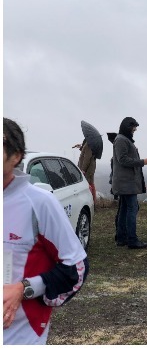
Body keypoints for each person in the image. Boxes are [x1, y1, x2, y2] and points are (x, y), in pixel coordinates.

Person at [3, 117, 88, 344]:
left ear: (16, 156)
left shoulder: (39, 203)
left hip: (18, 334)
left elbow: (76, 269)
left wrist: (24, 289)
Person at [112, 117, 147, 249]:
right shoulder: (121, 140)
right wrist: (142, 162)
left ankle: (122, 238)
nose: (135, 130)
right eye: (133, 127)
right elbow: (122, 159)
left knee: (124, 209)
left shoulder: (123, 139)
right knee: (132, 209)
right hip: (126, 183)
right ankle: (132, 240)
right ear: (127, 127)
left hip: (126, 182)